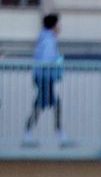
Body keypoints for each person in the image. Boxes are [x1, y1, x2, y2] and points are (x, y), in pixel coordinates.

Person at [25, 13, 69, 147]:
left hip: (44, 77)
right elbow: (46, 60)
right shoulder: (48, 40)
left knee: (46, 104)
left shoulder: (45, 38)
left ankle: (58, 132)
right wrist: (58, 61)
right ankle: (29, 133)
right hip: (45, 77)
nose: (60, 27)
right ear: (54, 25)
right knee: (44, 105)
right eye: (58, 24)